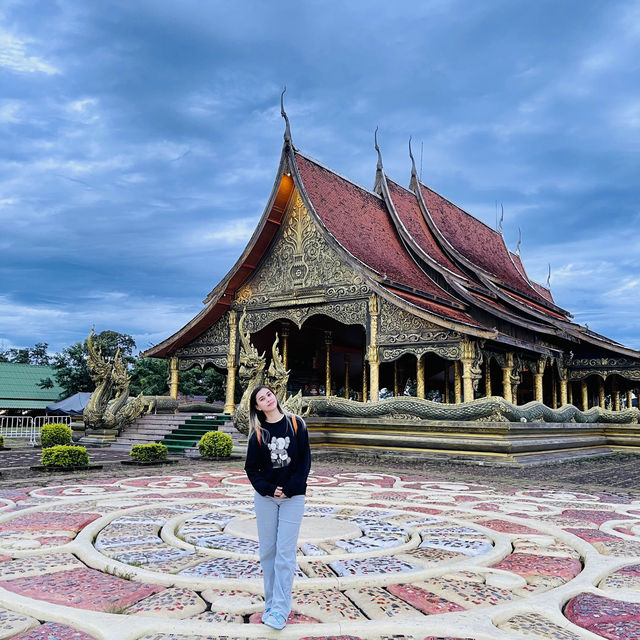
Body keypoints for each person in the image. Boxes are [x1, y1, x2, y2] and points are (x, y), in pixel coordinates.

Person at [244, 384, 311, 631]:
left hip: (293, 497)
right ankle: (271, 604)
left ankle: (281, 609)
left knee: (285, 555)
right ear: (257, 407)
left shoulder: (296, 424)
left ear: (275, 396)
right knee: (268, 554)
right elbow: (251, 469)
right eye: (262, 398)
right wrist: (269, 489)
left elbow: (304, 461)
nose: (268, 399)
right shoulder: (258, 433)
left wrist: (289, 488)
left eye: (269, 394)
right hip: (266, 499)